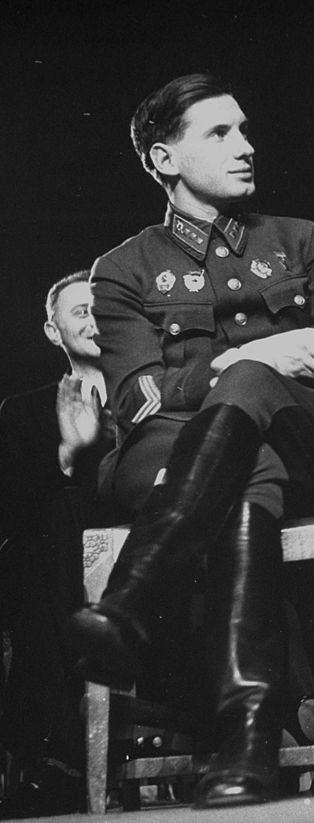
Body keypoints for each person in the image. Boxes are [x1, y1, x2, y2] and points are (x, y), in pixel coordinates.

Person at [66, 74, 314, 808]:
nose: (247, 145)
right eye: (220, 133)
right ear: (164, 160)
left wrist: (252, 365)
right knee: (244, 457)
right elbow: (139, 396)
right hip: (171, 447)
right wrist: (251, 360)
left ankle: (131, 602)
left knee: (252, 386)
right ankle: (247, 739)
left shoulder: (304, 239)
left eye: (245, 129)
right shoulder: (122, 269)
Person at [0, 271, 119, 818]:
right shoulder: (23, 411)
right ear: (53, 332)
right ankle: (57, 746)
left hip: (135, 556)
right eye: (78, 312)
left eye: (100, 307)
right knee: (49, 522)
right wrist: (69, 456)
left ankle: (58, 753)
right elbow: (12, 511)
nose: (93, 319)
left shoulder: (150, 391)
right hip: (51, 568)